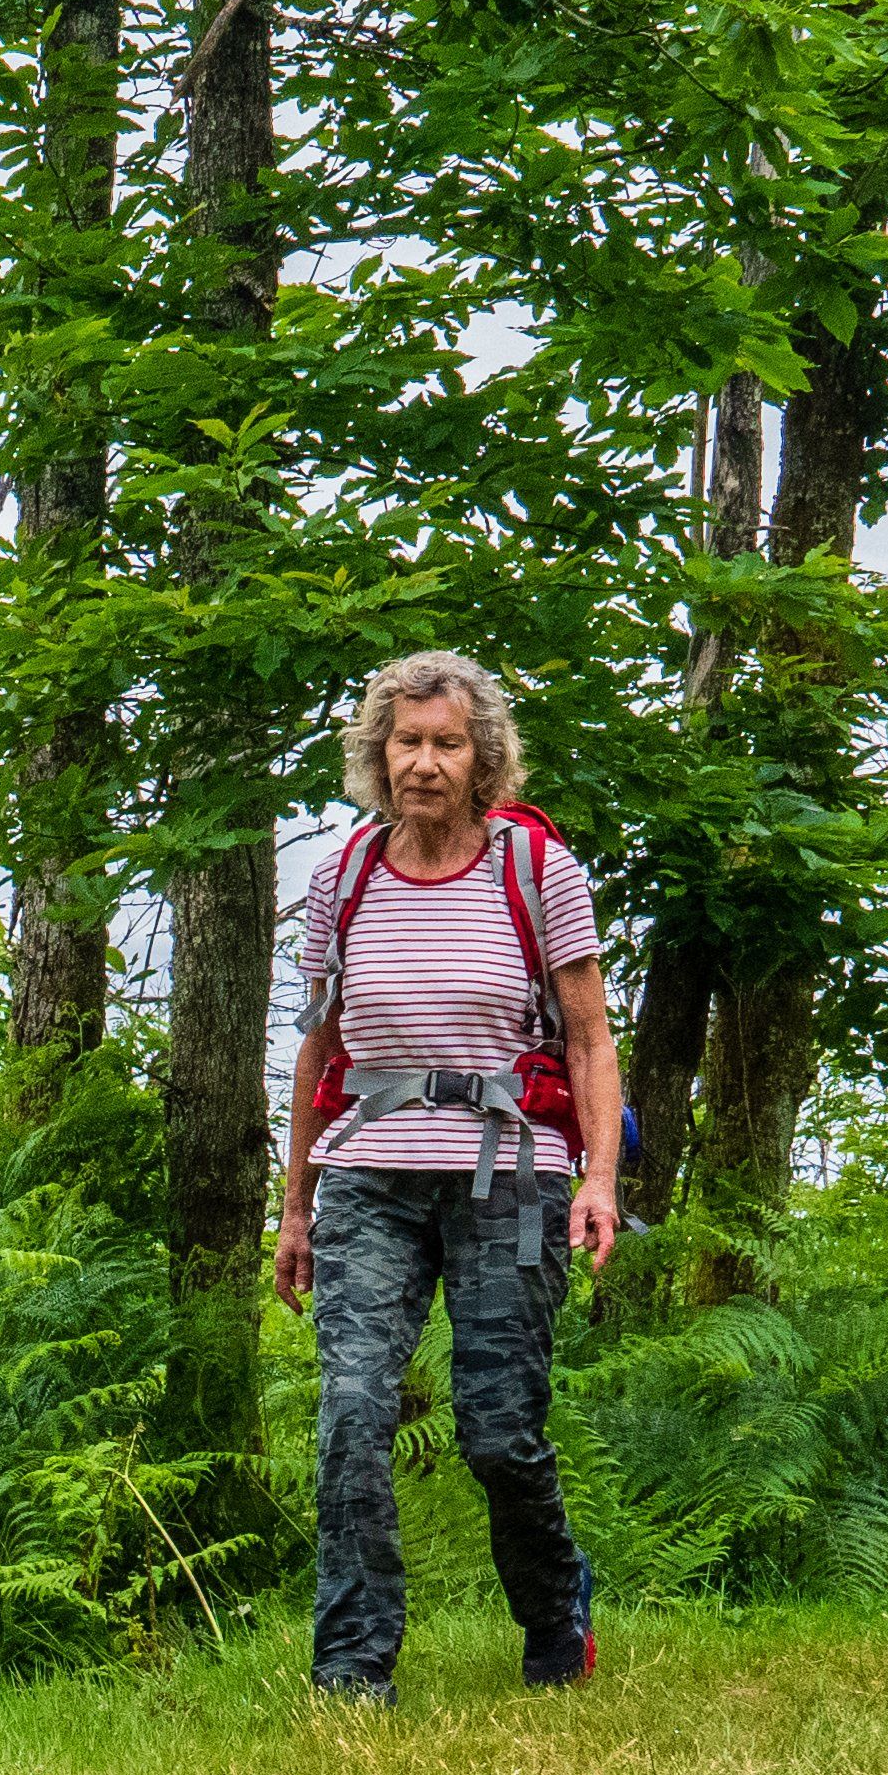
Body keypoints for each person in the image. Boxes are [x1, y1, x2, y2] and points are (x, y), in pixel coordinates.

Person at [264, 648, 623, 1705]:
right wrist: (293, 1205)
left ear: (483, 759)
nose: (424, 763)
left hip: (508, 1178)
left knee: (500, 1429)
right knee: (352, 1415)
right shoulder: (342, 880)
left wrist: (599, 1181)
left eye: (446, 744)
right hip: (367, 1179)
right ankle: (352, 1663)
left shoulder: (536, 871)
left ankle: (555, 1605)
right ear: (379, 754)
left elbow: (594, 1038)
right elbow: (315, 1052)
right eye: (407, 742)